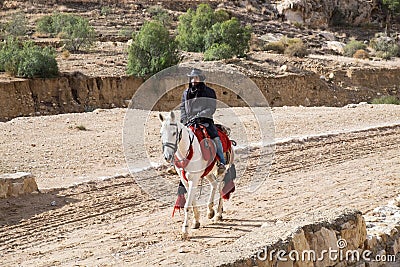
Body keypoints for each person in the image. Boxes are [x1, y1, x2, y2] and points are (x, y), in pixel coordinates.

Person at [180, 68, 226, 174]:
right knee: (177, 138)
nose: (193, 80)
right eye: (192, 78)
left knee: (215, 139)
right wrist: (184, 120)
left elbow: (211, 108)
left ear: (200, 79)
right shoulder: (186, 93)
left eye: (196, 78)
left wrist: (199, 116)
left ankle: (221, 162)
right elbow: (183, 108)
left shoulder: (209, 92)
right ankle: (176, 163)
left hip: (205, 121)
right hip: (188, 122)